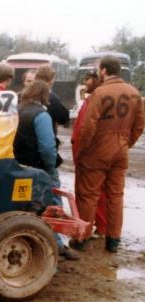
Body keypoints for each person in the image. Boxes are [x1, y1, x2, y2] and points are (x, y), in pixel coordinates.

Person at [74, 56, 144, 252]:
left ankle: (82, 237)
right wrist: (125, 144)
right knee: (115, 195)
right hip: (120, 151)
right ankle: (113, 239)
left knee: (89, 195)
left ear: (103, 70)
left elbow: (88, 126)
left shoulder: (99, 93)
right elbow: (139, 126)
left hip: (97, 151)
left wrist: (83, 149)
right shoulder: (134, 93)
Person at [13, 80, 79, 260]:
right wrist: (50, 168)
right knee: (52, 206)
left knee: (23, 205)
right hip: (40, 168)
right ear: (44, 96)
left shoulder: (15, 111)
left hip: (18, 166)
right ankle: (57, 246)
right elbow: (47, 148)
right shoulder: (41, 115)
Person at [71, 71, 106, 240]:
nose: (85, 82)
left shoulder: (94, 100)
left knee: (88, 195)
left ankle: (85, 231)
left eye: (88, 79)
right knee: (100, 193)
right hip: (95, 152)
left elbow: (85, 129)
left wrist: (81, 151)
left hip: (89, 154)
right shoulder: (91, 99)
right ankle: (100, 227)